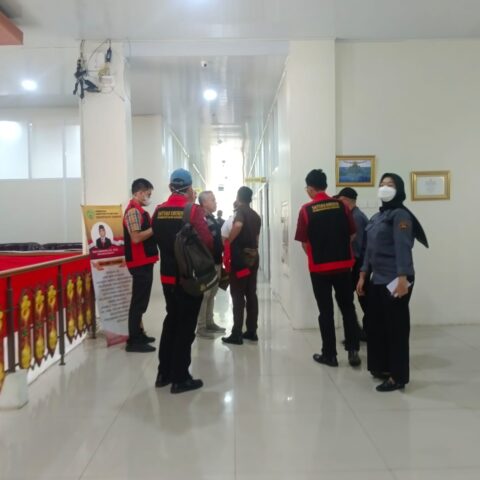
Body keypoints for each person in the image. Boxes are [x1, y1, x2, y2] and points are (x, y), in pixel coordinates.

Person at [357, 173, 428, 392]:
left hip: (396, 278)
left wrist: (403, 278)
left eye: (390, 184)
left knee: (396, 328)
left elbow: (402, 247)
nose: (385, 188)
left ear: (399, 190)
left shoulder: (401, 215)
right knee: (376, 325)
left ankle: (398, 377)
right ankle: (382, 367)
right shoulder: (378, 217)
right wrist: (362, 275)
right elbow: (369, 250)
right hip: (378, 279)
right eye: (382, 184)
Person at [152, 168, 213, 394]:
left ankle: (163, 373)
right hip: (188, 278)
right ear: (190, 189)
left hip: (167, 276)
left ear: (170, 187)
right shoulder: (192, 211)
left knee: (171, 321)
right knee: (186, 327)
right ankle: (180, 378)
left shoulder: (158, 211)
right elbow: (207, 241)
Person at [295, 169, 361, 368]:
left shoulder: (306, 210)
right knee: (348, 307)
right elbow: (352, 234)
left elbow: (304, 242)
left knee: (326, 311)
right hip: (343, 266)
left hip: (319, 269)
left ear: (310, 189)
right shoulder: (342, 206)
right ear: (325, 186)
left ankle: (330, 355)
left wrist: (316, 256)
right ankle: (353, 351)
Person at [123, 178, 159, 353]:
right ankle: (134, 340)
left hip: (145, 261)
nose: (149, 197)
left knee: (142, 301)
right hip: (139, 262)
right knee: (138, 302)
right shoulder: (133, 212)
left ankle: (139, 333)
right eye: (148, 194)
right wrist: (155, 228)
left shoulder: (140, 212)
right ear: (139, 193)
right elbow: (136, 238)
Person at [222, 187, 261, 345]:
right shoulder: (256, 215)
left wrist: (228, 242)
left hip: (240, 259)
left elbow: (237, 225)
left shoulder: (240, 212)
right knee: (251, 293)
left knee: (237, 295)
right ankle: (252, 331)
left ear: (238, 198)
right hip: (253, 257)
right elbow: (257, 238)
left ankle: (236, 333)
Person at [336, 187, 369, 340]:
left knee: (358, 300)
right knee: (353, 299)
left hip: (359, 264)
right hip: (359, 263)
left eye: (339, 200)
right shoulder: (355, 215)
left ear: (345, 200)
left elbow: (356, 247)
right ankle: (358, 331)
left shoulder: (356, 218)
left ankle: (363, 333)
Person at [196, 191, 225, 338]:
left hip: (216, 261)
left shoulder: (212, 218)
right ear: (204, 203)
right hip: (207, 263)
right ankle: (201, 327)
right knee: (205, 294)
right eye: (212, 200)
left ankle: (209, 322)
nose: (215, 202)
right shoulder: (201, 219)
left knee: (212, 293)